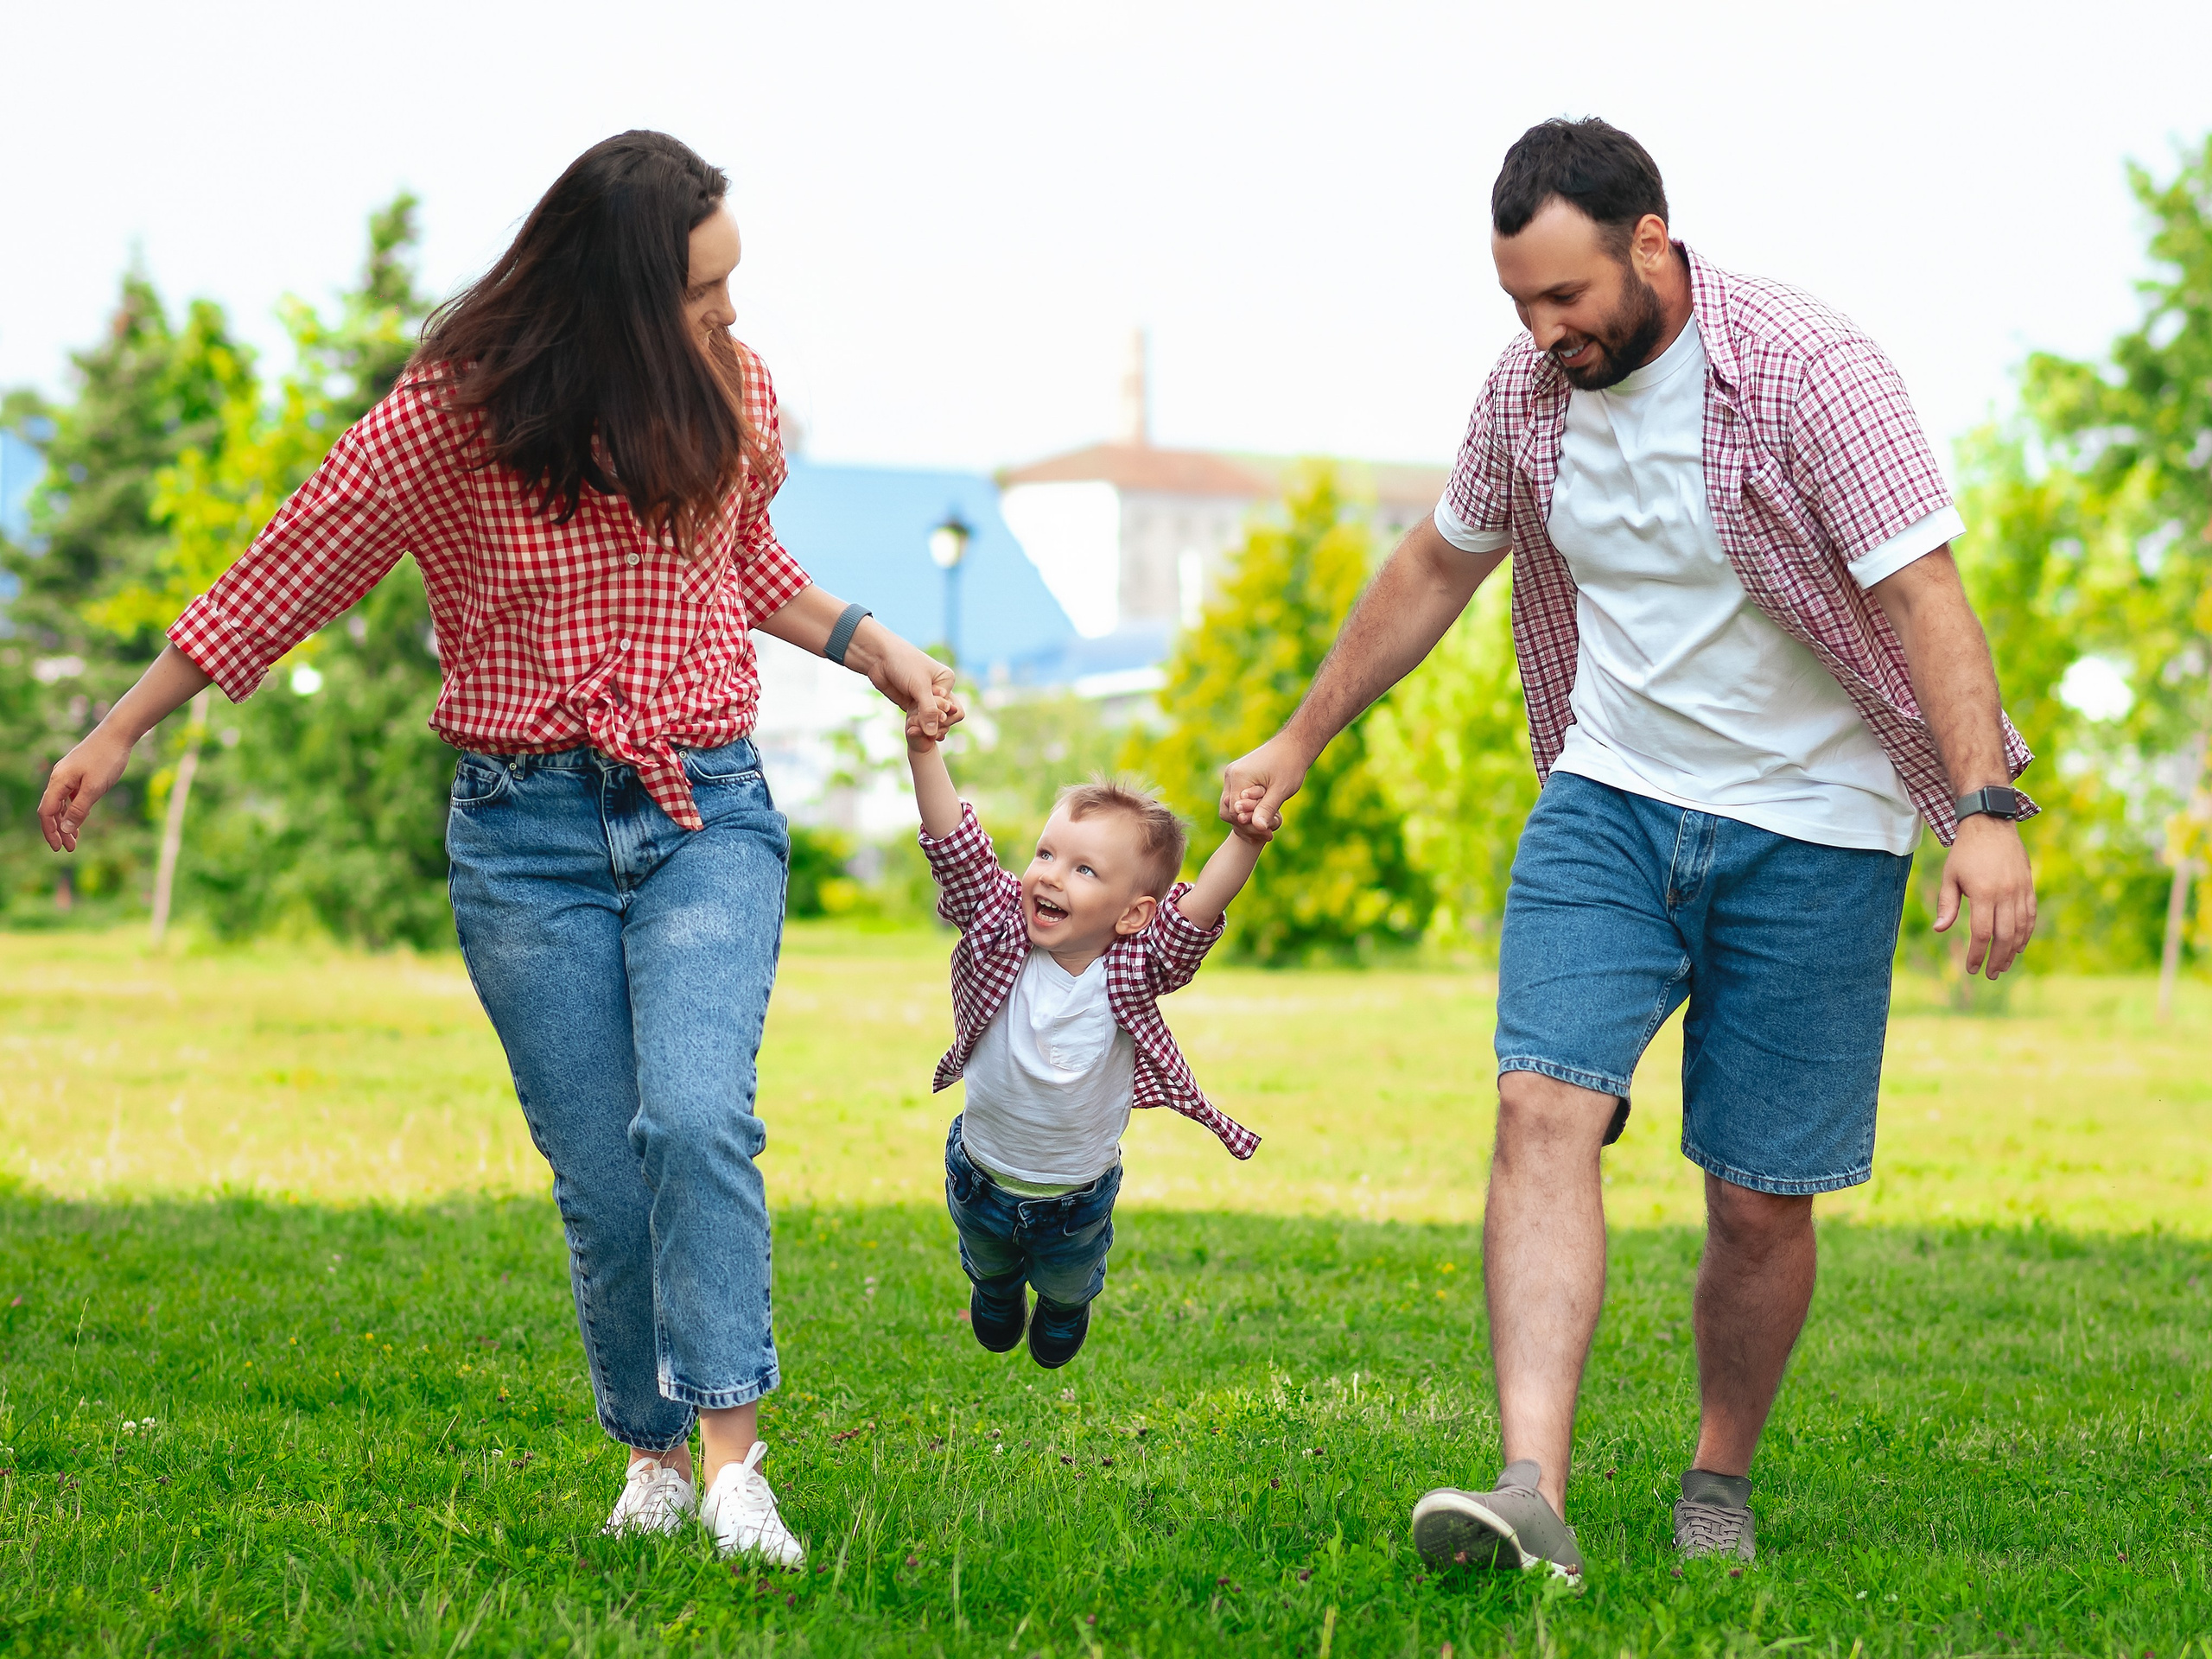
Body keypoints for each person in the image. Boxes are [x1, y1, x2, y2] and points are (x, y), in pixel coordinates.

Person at [35, 130, 960, 1567]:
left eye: (732, 287)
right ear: (612, 300)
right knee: (601, 1171)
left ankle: (734, 1469)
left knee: (697, 1119)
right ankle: (651, 1457)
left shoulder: (733, 385)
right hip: (521, 835)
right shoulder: (445, 421)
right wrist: (116, 731)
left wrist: (873, 645)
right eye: (701, 294)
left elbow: (738, 557)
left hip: (701, 808)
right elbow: (287, 571)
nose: (729, 318)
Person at [1220, 118, 2037, 1575]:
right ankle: (1531, 1484)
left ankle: (1716, 1478)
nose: (1545, 333)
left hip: (1818, 825)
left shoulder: (1807, 371)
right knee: (1540, 1105)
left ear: (1650, 243)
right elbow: (1435, 562)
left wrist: (1982, 810)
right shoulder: (1529, 392)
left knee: (1757, 1195)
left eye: (1566, 298)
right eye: (1519, 304)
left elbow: (1924, 593)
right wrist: (1301, 736)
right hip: (1610, 791)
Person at [906, 722, 1268, 1367]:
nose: (1050, 877)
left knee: (1068, 1281)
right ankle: (994, 1291)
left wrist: (1244, 839)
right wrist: (925, 750)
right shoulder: (999, 930)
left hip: (1077, 1198)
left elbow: (1200, 911)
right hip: (980, 1174)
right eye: (1045, 855)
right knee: (988, 1262)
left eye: (1083, 870)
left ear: (1132, 914)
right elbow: (956, 849)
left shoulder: (1135, 967)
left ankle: (1065, 1306)